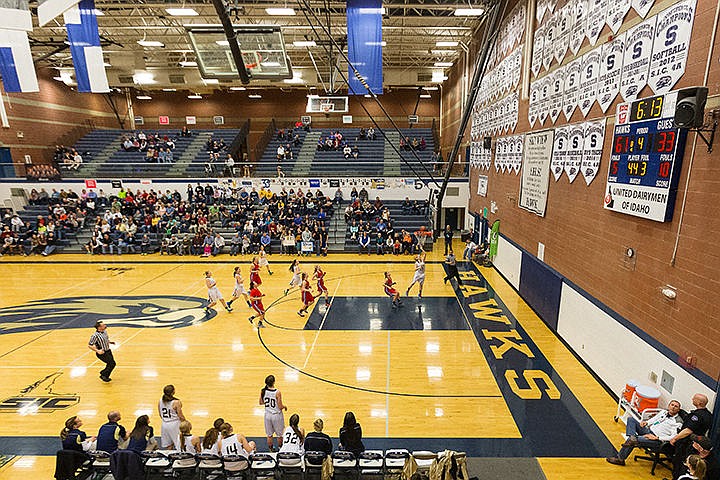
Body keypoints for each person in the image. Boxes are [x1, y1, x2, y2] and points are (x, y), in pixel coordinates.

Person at [606, 399, 682, 465]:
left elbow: (674, 437)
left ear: (678, 410)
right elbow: (655, 419)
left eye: (676, 406)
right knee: (631, 419)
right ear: (669, 406)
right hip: (649, 431)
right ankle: (632, 437)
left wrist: (657, 437)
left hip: (657, 440)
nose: (673, 407)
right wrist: (647, 423)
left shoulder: (677, 422)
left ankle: (620, 459)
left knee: (632, 440)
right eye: (672, 405)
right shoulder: (664, 412)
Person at [671, 394, 713, 479]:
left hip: (687, 444)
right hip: (696, 445)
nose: (692, 399)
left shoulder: (696, 416)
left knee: (679, 465)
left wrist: (675, 438)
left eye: (695, 398)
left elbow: (688, 431)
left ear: (699, 402)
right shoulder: (708, 415)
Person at [260, 375, 287, 452]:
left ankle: (271, 449)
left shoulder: (263, 391)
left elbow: (261, 402)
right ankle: (280, 449)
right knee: (279, 435)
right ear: (274, 382)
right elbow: (280, 406)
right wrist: (284, 407)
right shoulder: (277, 392)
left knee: (269, 435)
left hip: (267, 415)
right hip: (276, 415)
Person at [158, 384, 185, 450]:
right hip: (174, 424)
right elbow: (180, 416)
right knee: (179, 444)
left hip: (164, 424)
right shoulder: (176, 402)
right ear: (173, 392)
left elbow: (160, 414)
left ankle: (169, 459)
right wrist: (185, 422)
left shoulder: (160, 401)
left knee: (169, 445)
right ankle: (180, 459)